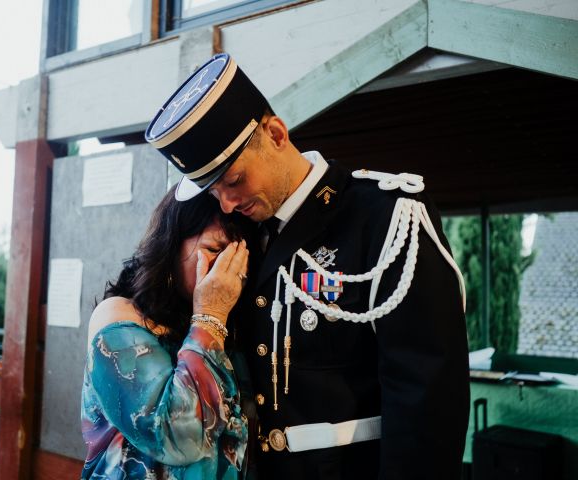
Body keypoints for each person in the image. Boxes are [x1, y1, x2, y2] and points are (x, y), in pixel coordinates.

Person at [145, 53, 470, 479]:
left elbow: (427, 398)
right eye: (213, 190)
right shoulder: (243, 234)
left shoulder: (385, 215)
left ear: (276, 134)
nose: (226, 203)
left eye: (235, 179)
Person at [81, 186, 252, 479]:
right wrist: (210, 316)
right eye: (214, 251)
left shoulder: (225, 330)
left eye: (237, 259)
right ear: (171, 247)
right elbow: (177, 437)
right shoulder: (118, 315)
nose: (226, 271)